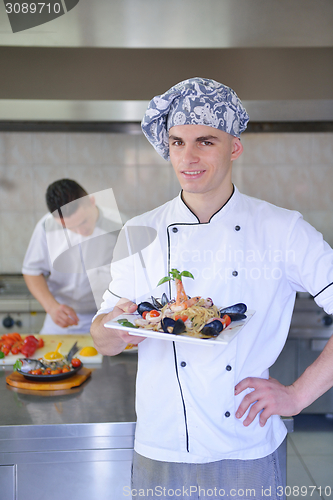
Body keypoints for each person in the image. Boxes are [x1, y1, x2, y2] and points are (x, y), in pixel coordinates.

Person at [91, 78, 333, 499]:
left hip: (246, 443)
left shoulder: (281, 229)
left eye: (206, 141)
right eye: (178, 142)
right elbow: (104, 336)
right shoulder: (140, 230)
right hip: (160, 443)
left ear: (234, 147)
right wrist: (112, 331)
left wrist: (298, 396)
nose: (188, 157)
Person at [23, 179, 122, 334]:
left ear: (91, 201)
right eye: (70, 228)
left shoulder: (120, 225)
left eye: (83, 222)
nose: (80, 231)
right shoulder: (45, 226)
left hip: (107, 315)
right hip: (62, 316)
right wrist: (51, 307)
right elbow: (32, 271)